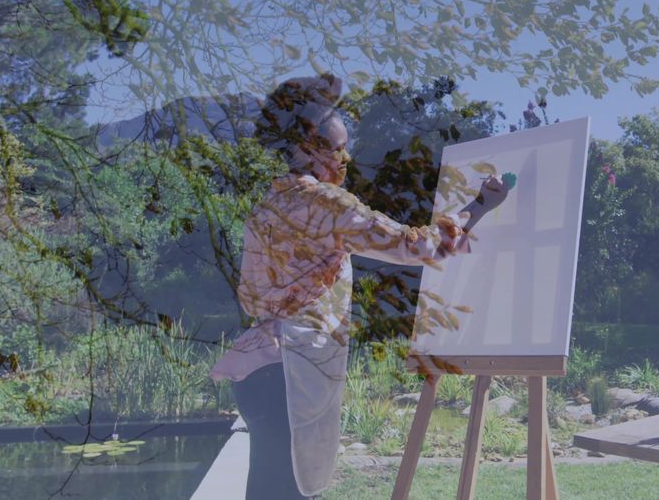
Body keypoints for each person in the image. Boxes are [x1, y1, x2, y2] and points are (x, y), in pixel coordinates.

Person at [209, 74, 508, 499]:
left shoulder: (267, 203)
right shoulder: (328, 204)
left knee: (266, 490)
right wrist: (478, 206)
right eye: (337, 147)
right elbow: (416, 245)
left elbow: (253, 293)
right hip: (293, 372)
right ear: (307, 147)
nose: (345, 158)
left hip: (254, 370)